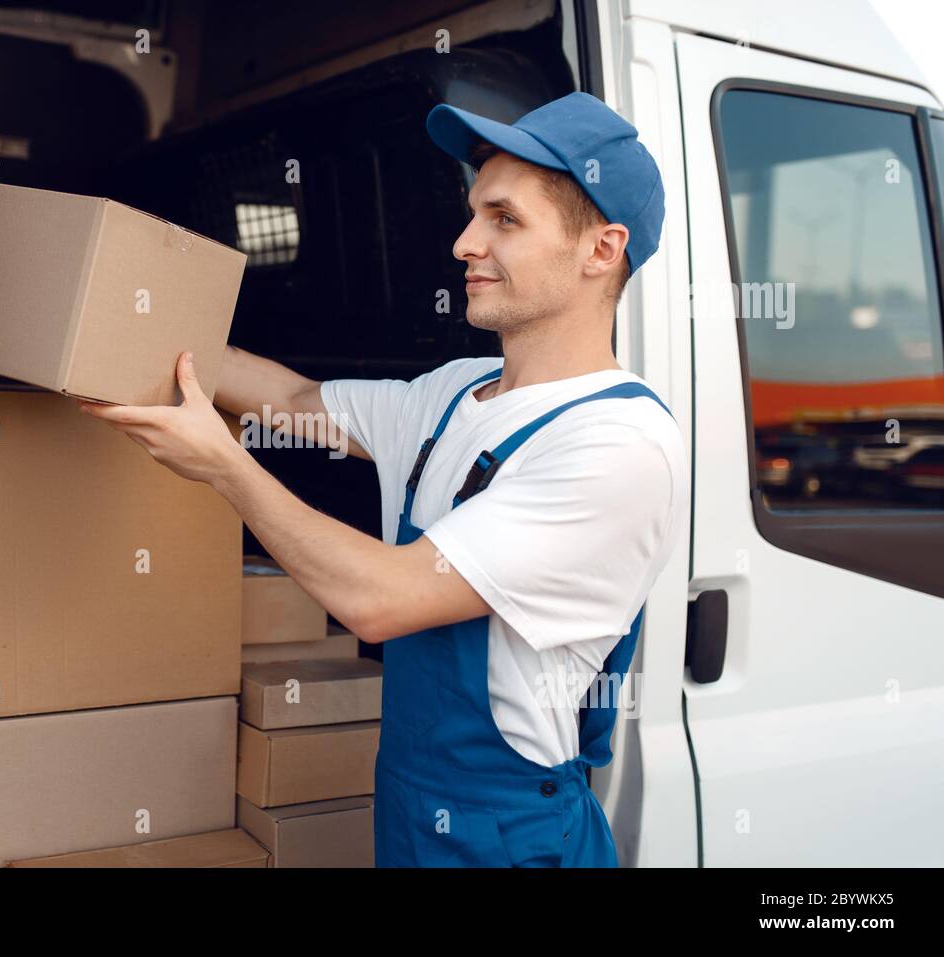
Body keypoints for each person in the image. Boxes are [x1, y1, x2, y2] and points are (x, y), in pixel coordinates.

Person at [79, 91, 690, 867]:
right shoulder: (455, 390)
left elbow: (382, 600)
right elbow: (295, 402)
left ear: (601, 250)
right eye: (472, 213)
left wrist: (224, 465)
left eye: (505, 219)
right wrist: (107, 325)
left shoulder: (617, 446)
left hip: (509, 840)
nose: (465, 242)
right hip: (410, 807)